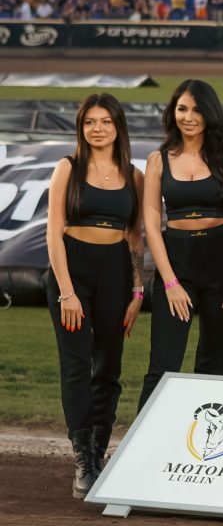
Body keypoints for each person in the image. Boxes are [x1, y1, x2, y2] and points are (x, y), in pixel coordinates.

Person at [45, 94, 145, 497]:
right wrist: (67, 291)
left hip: (116, 271)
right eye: (90, 122)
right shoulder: (67, 168)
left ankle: (100, 451)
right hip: (72, 270)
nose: (97, 129)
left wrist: (137, 289)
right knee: (76, 366)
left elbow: (135, 236)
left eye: (105, 121)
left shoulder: (134, 175)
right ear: (81, 127)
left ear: (118, 126)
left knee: (108, 365)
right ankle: (84, 459)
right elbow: (53, 233)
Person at [138, 80, 223, 408]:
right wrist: (170, 282)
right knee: (163, 365)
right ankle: (145, 438)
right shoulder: (158, 160)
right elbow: (151, 222)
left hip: (221, 260)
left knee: (212, 365)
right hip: (176, 261)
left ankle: (201, 438)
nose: (188, 117)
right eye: (182, 109)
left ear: (210, 113)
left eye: (197, 110)